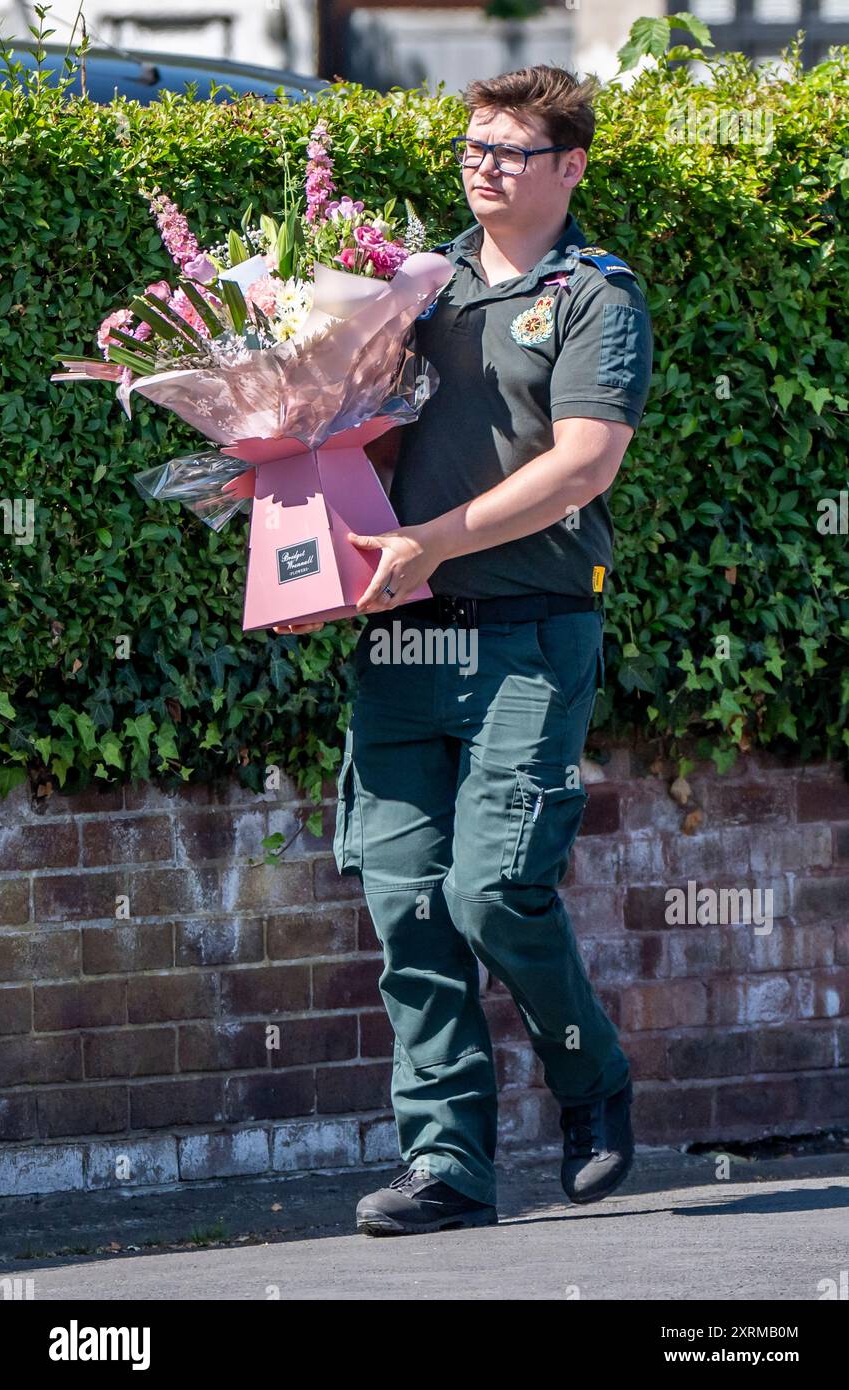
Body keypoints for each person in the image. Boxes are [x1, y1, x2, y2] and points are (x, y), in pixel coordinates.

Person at [275, 63, 653, 1236]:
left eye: (510, 152)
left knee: (492, 891)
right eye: (472, 148)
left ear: (570, 167)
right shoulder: (408, 293)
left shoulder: (594, 295)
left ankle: (588, 1076)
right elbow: (349, 446)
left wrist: (432, 540)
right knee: (408, 910)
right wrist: (297, 542)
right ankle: (447, 1166)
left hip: (532, 635)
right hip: (399, 645)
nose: (483, 166)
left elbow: (585, 463)